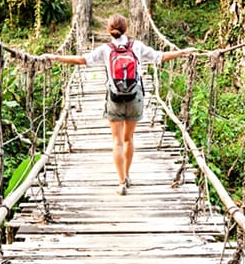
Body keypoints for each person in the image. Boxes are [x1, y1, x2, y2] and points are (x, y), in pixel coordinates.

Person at [43, 14, 195, 195]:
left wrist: (55, 57)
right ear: (127, 29)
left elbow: (81, 60)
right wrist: (183, 52)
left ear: (109, 31)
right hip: (134, 97)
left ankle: (121, 182)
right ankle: (128, 174)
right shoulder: (136, 46)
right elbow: (159, 57)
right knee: (128, 138)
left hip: (114, 97)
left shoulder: (105, 49)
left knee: (117, 141)